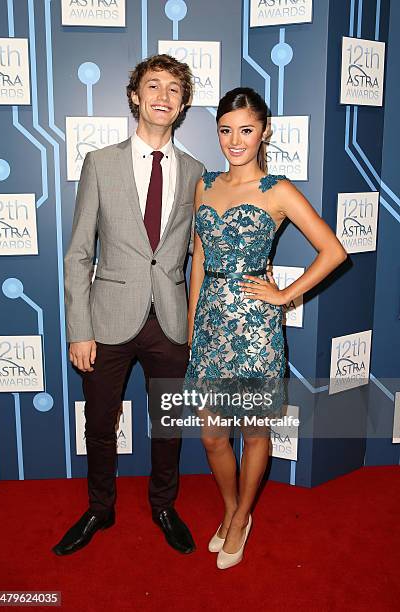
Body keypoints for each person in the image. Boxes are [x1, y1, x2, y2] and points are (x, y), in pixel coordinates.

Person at [186, 87, 347, 569]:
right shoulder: (205, 184)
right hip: (212, 323)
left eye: (246, 130)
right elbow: (198, 259)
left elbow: (334, 250)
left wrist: (284, 295)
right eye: (226, 130)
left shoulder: (277, 189)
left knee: (254, 432)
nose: (235, 140)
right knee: (213, 436)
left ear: (265, 131)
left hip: (255, 326)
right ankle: (234, 508)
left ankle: (239, 519)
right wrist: (194, 320)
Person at [53, 54, 204, 556]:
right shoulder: (100, 162)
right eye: (153, 86)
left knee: (168, 424)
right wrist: (79, 328)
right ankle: (100, 507)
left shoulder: (197, 172)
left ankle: (164, 504)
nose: (163, 96)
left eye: (174, 90)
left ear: (183, 105)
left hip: (170, 319)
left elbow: (201, 250)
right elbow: (79, 253)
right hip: (106, 318)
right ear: (135, 96)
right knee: (100, 422)